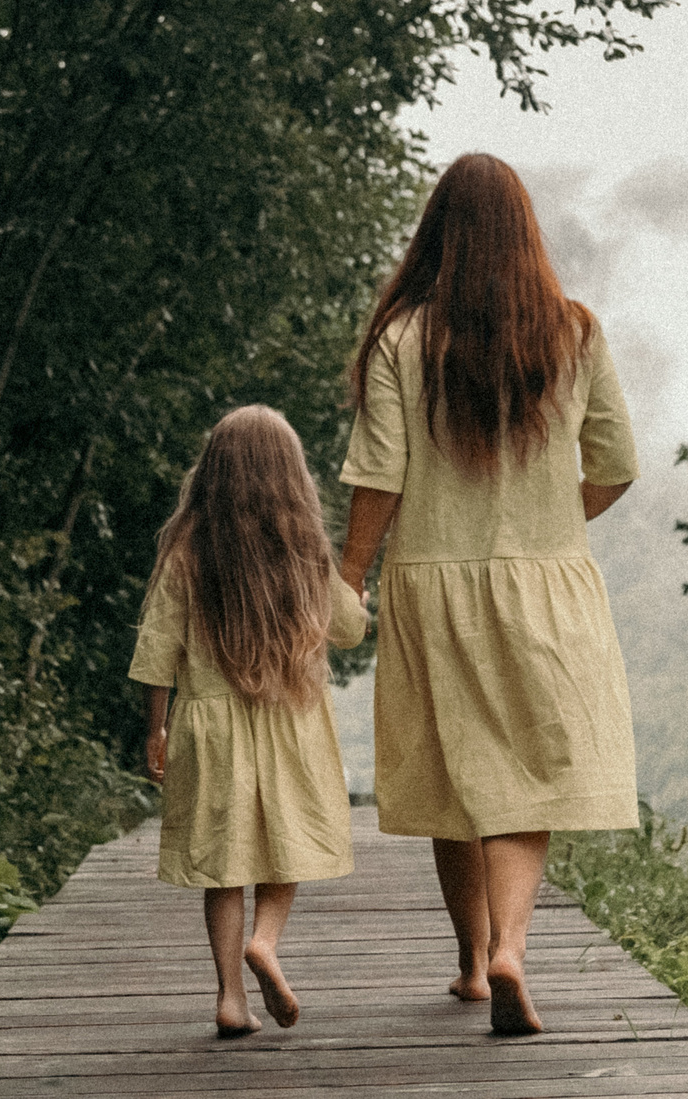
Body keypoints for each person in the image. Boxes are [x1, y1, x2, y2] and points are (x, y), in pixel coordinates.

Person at [336, 153, 639, 1037]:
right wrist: (555, 517)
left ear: (437, 231)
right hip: (548, 584)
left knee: (452, 769)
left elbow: (380, 473)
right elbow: (618, 465)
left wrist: (351, 571)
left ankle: (472, 963)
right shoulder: (575, 332)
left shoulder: (401, 338)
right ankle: (511, 945)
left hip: (434, 583)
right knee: (530, 777)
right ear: (526, 231)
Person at [129, 404, 370, 1038]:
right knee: (284, 845)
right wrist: (357, 592)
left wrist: (155, 728)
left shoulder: (185, 551)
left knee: (224, 863)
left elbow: (158, 646)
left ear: (212, 472)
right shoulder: (306, 551)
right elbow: (349, 630)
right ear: (292, 476)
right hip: (289, 720)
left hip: (210, 728)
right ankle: (266, 941)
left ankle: (231, 997)